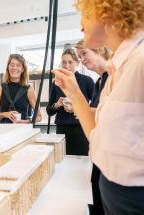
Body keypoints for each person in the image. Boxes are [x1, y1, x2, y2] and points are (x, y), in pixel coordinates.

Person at [53, 0, 144, 213]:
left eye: (84, 14)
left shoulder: (139, 62)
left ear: (105, 11)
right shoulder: (117, 70)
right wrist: (74, 93)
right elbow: (99, 130)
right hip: (114, 194)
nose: (81, 25)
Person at [76, 39, 111, 215]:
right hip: (99, 150)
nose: (81, 59)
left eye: (84, 54)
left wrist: (76, 103)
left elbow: (105, 114)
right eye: (79, 56)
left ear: (99, 49)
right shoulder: (100, 81)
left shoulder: (113, 77)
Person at [46, 48, 94, 155]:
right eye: (64, 62)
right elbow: (49, 111)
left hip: (81, 129)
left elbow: (97, 107)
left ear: (77, 63)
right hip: (62, 130)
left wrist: (75, 109)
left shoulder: (87, 81)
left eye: (70, 62)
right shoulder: (57, 82)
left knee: (82, 162)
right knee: (62, 162)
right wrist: (57, 104)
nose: (66, 65)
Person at [0, 54, 42, 123]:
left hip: (23, 130)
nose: (15, 68)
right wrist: (4, 114)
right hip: (4, 130)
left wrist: (26, 121)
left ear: (23, 69)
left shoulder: (29, 89)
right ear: (8, 67)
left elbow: (39, 117)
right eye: (12, 65)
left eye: (18, 65)